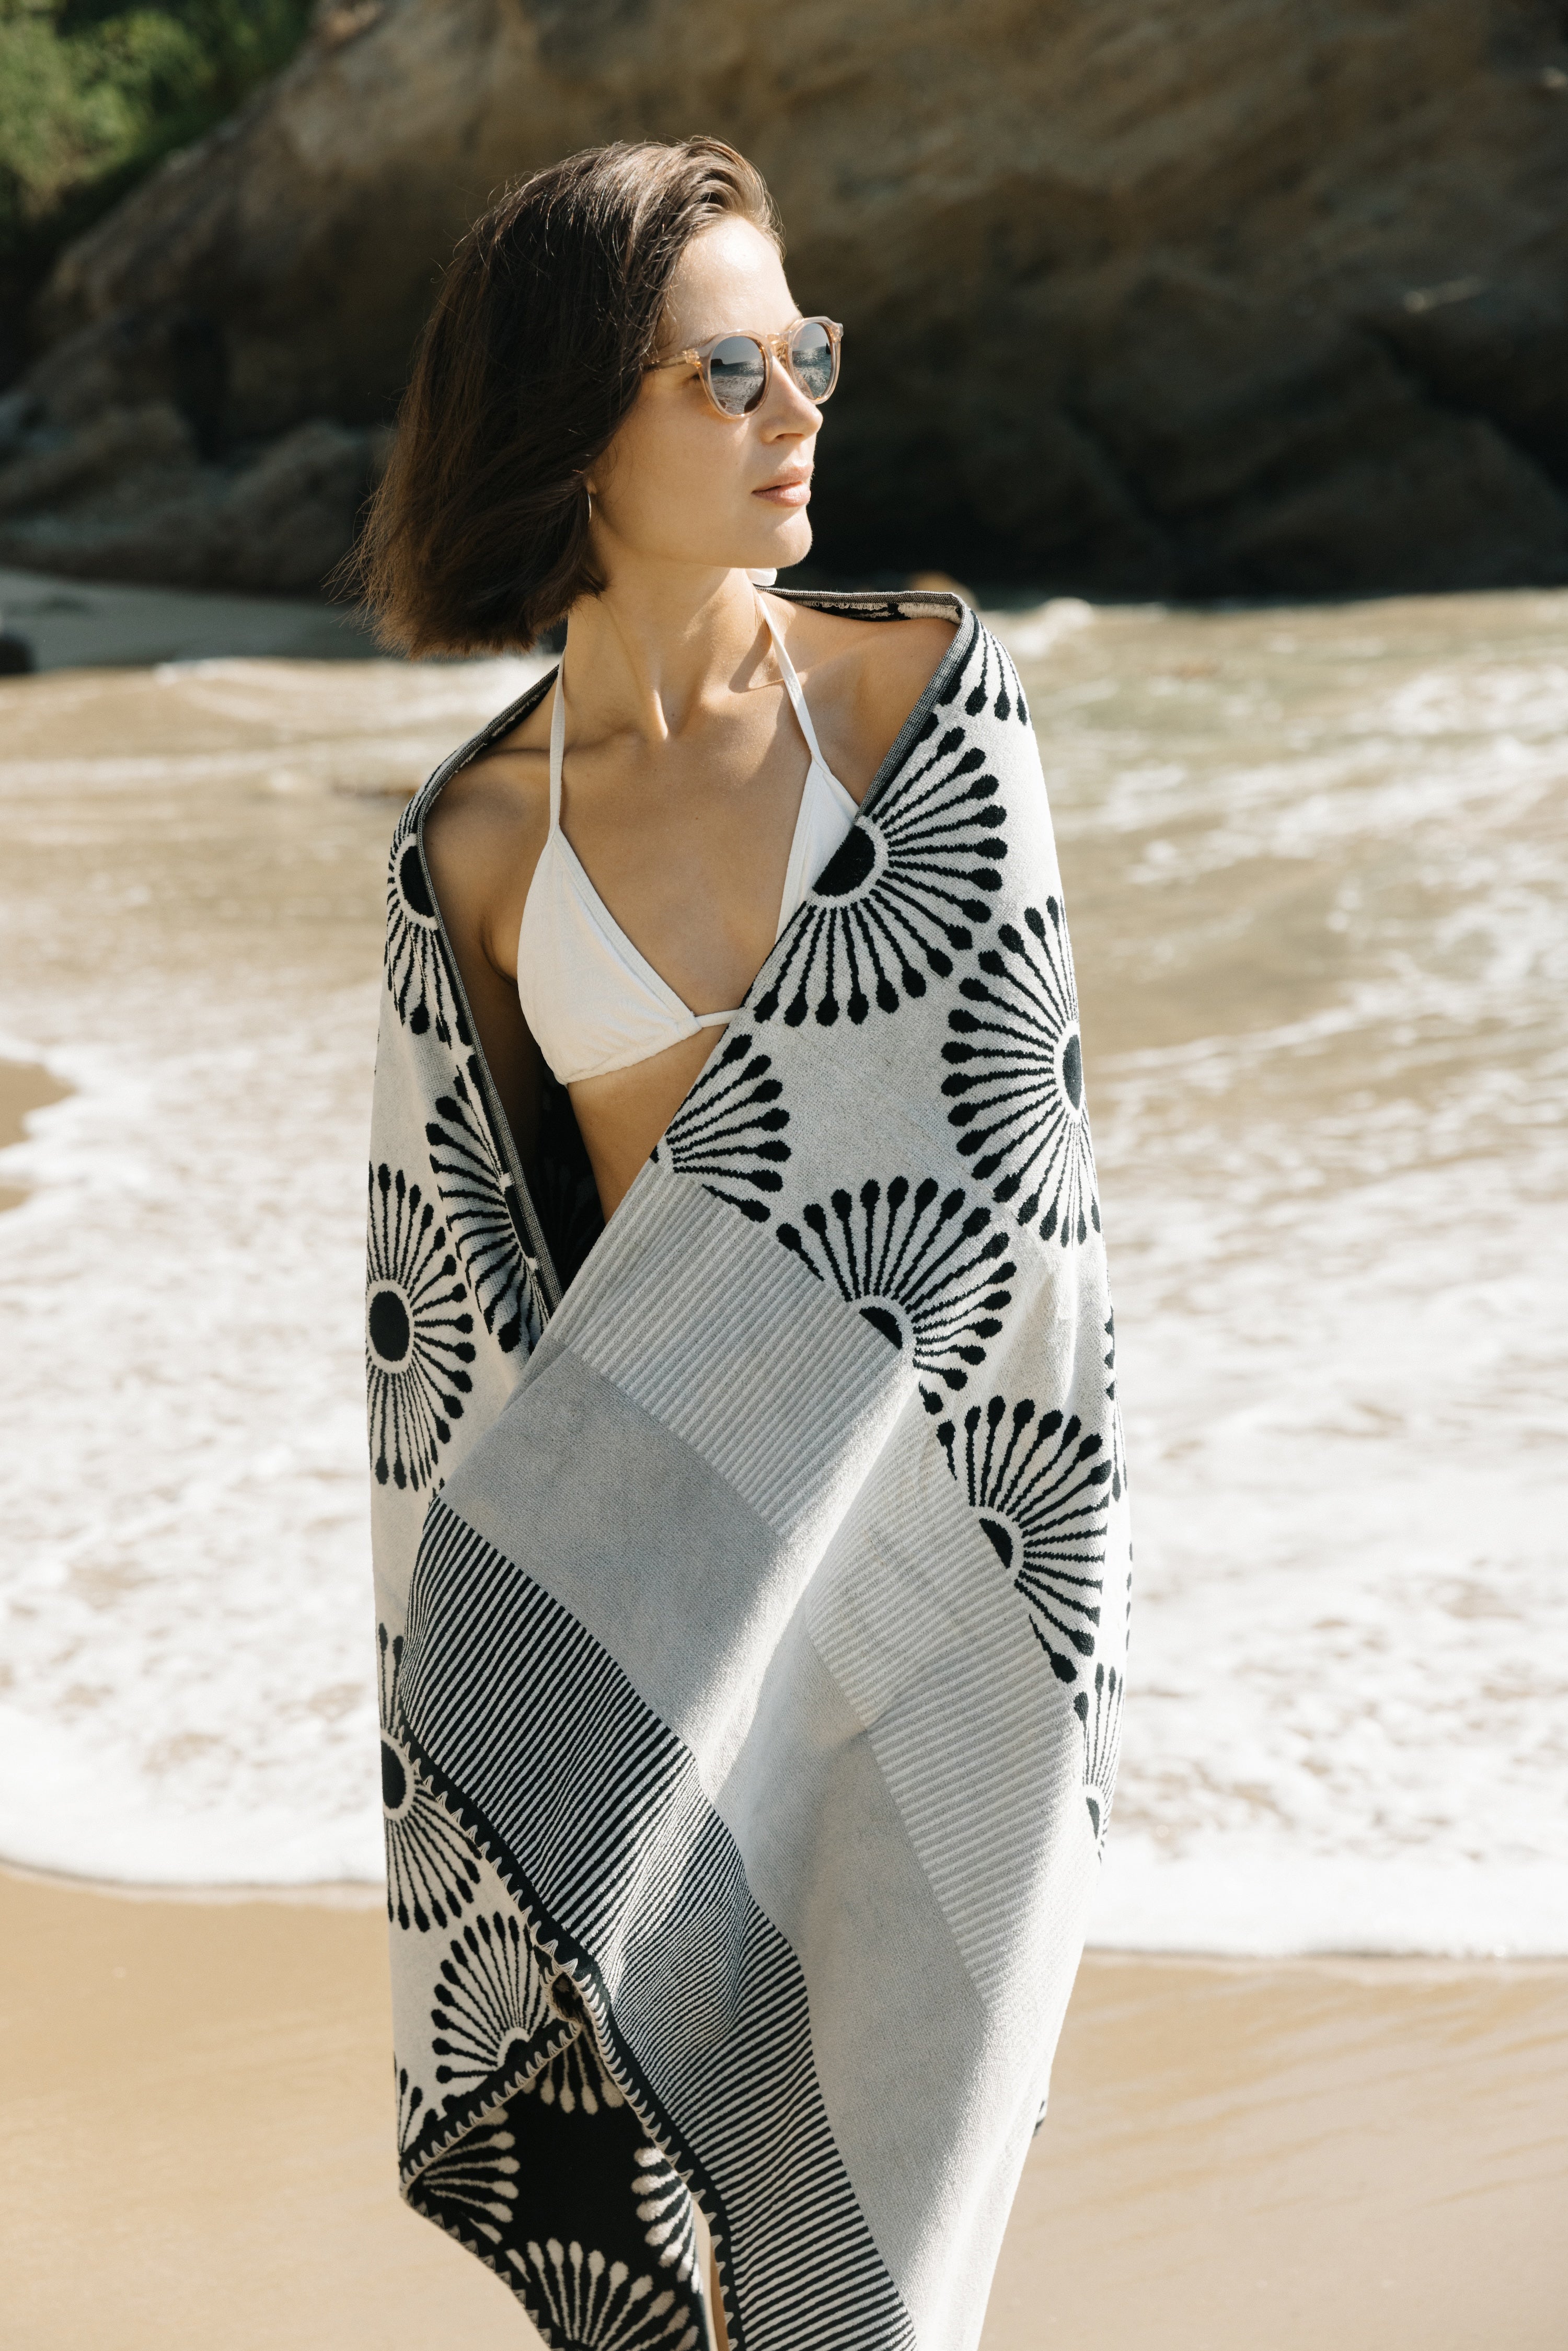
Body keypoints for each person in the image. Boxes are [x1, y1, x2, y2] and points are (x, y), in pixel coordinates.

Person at [358, 136, 1126, 2351]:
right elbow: (468, 1337)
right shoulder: (478, 853)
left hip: (933, 1612)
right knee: (679, 2306)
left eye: (809, 350)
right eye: (730, 369)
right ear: (577, 419)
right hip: (664, 1647)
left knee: (866, 2304)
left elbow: (1009, 1227)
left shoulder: (926, 724)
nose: (798, 405)